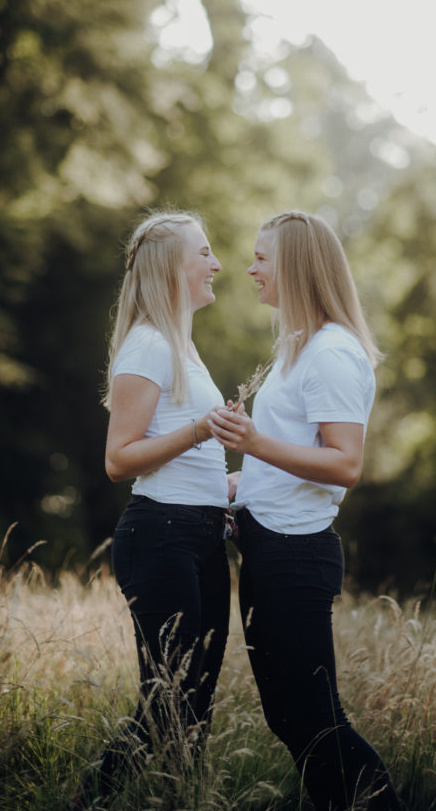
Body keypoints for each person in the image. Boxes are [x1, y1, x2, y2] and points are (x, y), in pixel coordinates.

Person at [209, 211, 401, 811]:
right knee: (292, 720)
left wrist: (252, 443)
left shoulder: (331, 355)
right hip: (272, 549)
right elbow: (296, 457)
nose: (250, 269)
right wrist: (245, 481)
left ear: (294, 267)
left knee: (315, 723)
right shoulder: (301, 349)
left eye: (262, 258)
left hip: (296, 557)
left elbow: (344, 465)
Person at [70, 210, 231, 808]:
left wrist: (232, 486)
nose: (217, 265)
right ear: (172, 269)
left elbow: (190, 459)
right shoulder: (149, 344)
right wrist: (200, 431)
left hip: (200, 532)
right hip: (161, 536)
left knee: (194, 702)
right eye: (206, 253)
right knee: (167, 700)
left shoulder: (184, 348)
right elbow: (120, 458)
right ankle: (91, 799)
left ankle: (176, 798)